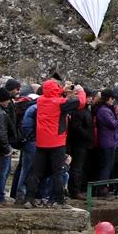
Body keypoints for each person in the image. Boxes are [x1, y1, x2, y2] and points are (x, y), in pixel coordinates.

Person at [21, 80, 86, 208]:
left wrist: (63, 90)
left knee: (36, 172)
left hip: (41, 142)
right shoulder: (60, 103)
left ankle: (29, 199)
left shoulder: (41, 101)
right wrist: (80, 91)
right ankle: (59, 201)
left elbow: (51, 94)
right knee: (58, 173)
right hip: (57, 142)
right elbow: (81, 102)